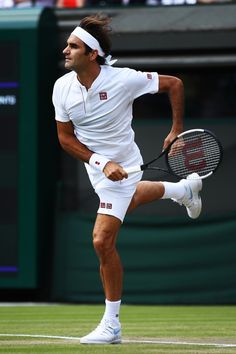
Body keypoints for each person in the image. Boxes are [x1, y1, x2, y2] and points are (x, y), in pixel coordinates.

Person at [52, 13, 202, 345]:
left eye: (73, 46)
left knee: (101, 241)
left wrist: (176, 130)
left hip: (125, 165)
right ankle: (184, 188)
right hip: (99, 169)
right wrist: (100, 161)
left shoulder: (123, 79)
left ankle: (111, 325)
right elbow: (65, 139)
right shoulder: (61, 87)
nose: (66, 50)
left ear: (92, 54)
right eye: (67, 45)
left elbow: (173, 84)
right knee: (131, 199)